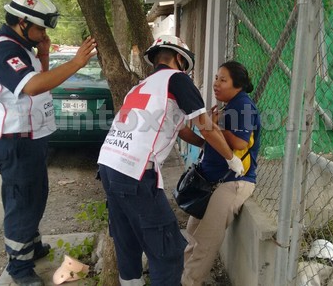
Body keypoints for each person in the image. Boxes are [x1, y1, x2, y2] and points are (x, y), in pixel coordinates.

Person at [97, 35, 245, 286]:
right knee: (168, 251)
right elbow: (206, 126)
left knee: (127, 241)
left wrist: (202, 145)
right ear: (179, 59)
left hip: (109, 165)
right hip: (136, 171)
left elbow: (179, 129)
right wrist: (231, 158)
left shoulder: (140, 87)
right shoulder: (177, 80)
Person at [0, 0, 98, 286]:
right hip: (15, 141)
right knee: (21, 202)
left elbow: (38, 80)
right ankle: (19, 268)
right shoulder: (3, 50)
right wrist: (76, 63)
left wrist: (44, 55)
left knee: (35, 196)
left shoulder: (23, 50)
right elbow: (32, 86)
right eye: (40, 27)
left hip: (30, 138)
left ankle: (31, 248)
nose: (43, 33)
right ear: (22, 22)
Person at [182, 61, 261, 286]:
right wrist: (211, 127)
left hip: (233, 182)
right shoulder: (229, 105)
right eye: (216, 78)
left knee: (205, 239)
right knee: (193, 232)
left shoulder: (242, 105)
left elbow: (240, 141)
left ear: (238, 84)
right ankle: (187, 277)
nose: (216, 83)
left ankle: (189, 281)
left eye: (222, 80)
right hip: (213, 180)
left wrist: (213, 127)